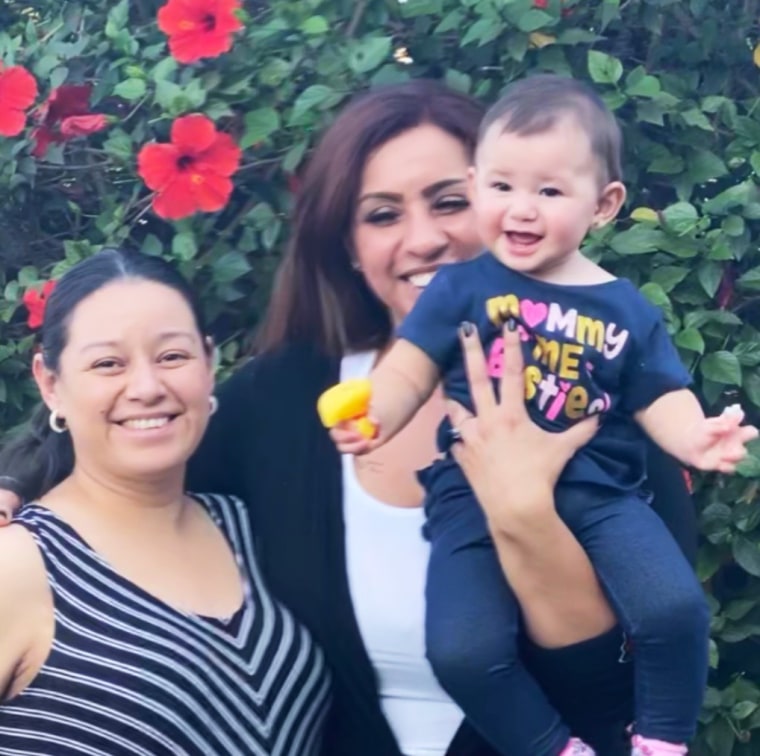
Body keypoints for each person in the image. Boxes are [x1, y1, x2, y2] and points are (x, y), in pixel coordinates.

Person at [0, 80, 699, 756]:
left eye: (450, 201)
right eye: (383, 214)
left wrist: (523, 516)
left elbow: (620, 688)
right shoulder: (286, 401)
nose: (423, 239)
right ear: (351, 249)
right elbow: (138, 436)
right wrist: (15, 481)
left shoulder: (606, 381)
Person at [321, 75, 757, 756]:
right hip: (470, 493)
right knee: (463, 650)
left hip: (600, 490)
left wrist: (696, 436)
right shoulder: (463, 287)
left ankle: (661, 742)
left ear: (604, 203)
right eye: (501, 187)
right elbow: (409, 367)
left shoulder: (625, 306)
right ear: (476, 184)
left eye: (549, 191)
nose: (521, 210)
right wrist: (375, 414)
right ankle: (552, 747)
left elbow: (658, 393)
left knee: (674, 610)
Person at [0, 249, 331, 755]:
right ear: (51, 384)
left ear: (209, 362)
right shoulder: (19, 566)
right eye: (108, 364)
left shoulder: (248, 525)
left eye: (172, 356)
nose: (148, 387)